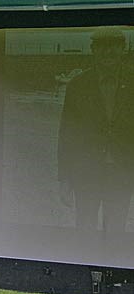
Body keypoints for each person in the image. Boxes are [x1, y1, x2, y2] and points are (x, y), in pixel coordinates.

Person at [58, 27, 134, 232]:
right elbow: (67, 134)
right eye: (102, 46)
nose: (107, 51)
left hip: (122, 173)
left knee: (116, 231)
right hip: (86, 173)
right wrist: (65, 179)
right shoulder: (77, 86)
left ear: (123, 49)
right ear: (93, 50)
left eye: (113, 46)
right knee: (85, 229)